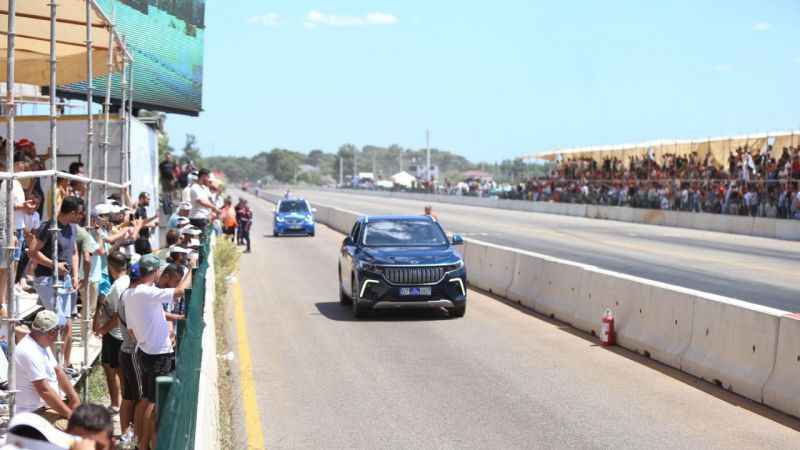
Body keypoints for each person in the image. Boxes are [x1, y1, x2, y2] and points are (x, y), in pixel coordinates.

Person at [124, 254, 189, 450]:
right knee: (154, 404)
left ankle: (137, 441)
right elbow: (178, 292)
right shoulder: (145, 292)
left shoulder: (130, 294)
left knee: (145, 400)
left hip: (145, 351)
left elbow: (134, 328)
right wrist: (192, 271)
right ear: (153, 272)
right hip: (159, 354)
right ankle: (144, 445)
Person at [29, 196, 83, 367]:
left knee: (67, 325)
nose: (82, 217)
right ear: (73, 212)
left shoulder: (72, 228)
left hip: (66, 280)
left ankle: (64, 365)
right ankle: (52, 365)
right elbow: (32, 252)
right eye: (80, 213)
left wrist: (75, 276)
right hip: (46, 278)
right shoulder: (48, 227)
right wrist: (54, 265)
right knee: (57, 324)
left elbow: (74, 252)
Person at [14, 310, 81, 429]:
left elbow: (58, 372)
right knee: (81, 431)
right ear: (52, 332)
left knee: (88, 421)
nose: (60, 333)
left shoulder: (41, 343)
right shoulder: (28, 351)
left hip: (46, 407)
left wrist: (74, 397)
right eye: (59, 330)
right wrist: (69, 414)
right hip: (34, 413)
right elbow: (44, 390)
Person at [92, 252, 128, 418]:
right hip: (125, 335)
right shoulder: (128, 281)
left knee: (110, 370)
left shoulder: (116, 287)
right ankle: (125, 403)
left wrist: (103, 329)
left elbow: (116, 315)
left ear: (111, 267)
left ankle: (116, 405)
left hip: (114, 335)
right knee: (122, 371)